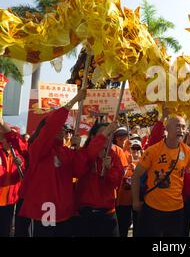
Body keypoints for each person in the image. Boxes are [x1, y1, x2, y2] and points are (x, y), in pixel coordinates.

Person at [18, 90, 90, 237]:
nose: (62, 130)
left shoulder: (65, 151)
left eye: (64, 128)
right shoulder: (38, 149)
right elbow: (51, 126)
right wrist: (74, 100)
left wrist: (78, 149)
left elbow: (78, 171)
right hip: (45, 209)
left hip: (64, 211)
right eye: (59, 126)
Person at [132, 116, 190, 237]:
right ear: (167, 128)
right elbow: (136, 176)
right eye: (177, 126)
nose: (181, 130)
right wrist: (135, 201)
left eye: (183, 127)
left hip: (176, 210)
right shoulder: (153, 150)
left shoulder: (187, 151)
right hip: (152, 209)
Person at [75, 121, 125, 237]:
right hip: (85, 214)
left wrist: (109, 168)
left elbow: (116, 182)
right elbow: (77, 170)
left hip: (107, 213)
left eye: (109, 134)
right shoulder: (84, 154)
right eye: (103, 134)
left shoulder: (114, 156)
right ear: (93, 137)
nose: (106, 138)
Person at [0, 120, 26, 237]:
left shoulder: (20, 157)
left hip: (10, 201)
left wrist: (21, 165)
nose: (10, 142)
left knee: (5, 230)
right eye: (7, 138)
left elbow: (23, 178)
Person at [116, 128, 142, 237]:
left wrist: (137, 171)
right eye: (133, 149)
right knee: (123, 228)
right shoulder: (123, 156)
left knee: (138, 229)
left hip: (137, 200)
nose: (135, 151)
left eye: (137, 149)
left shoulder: (143, 163)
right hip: (123, 201)